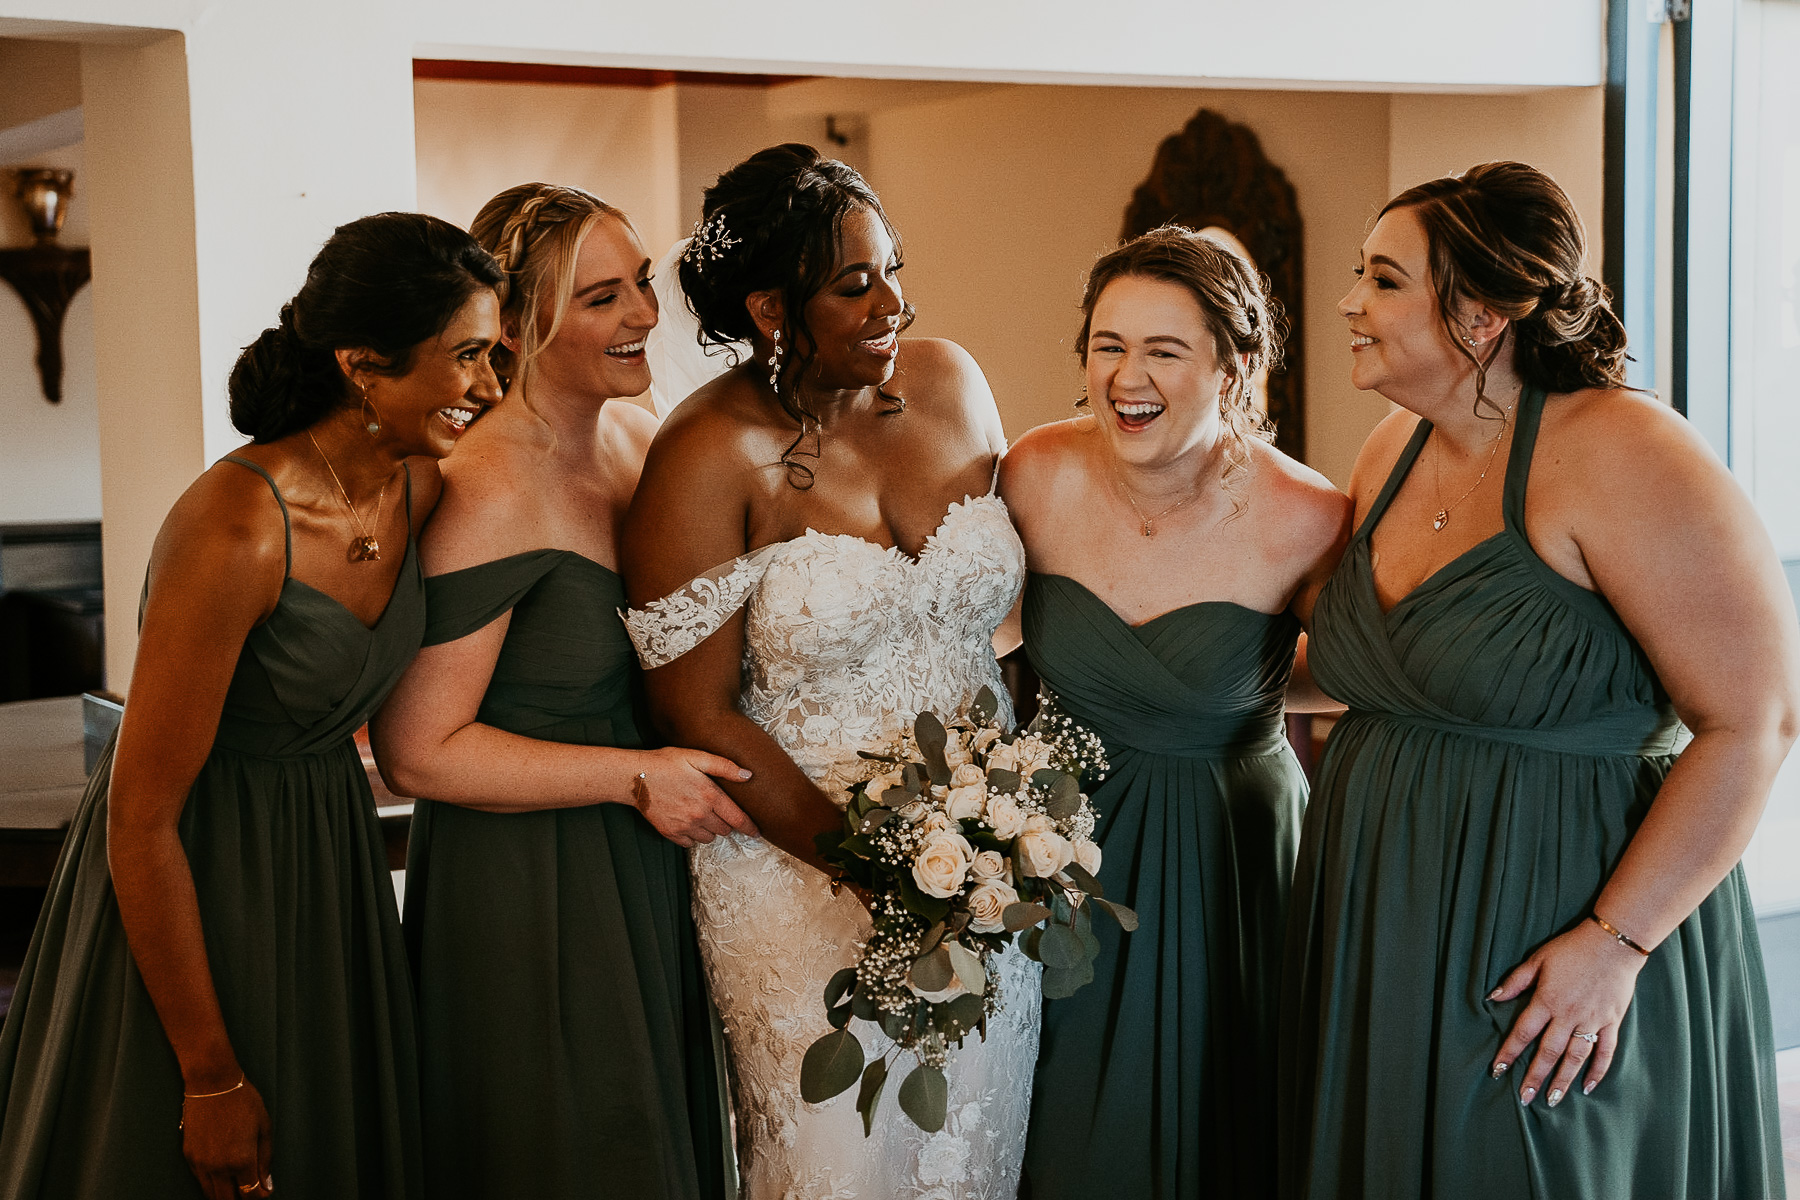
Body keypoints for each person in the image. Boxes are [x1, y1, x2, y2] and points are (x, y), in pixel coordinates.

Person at [1278, 161, 1796, 1199]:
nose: (1348, 304)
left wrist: (1616, 945)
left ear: (1478, 316)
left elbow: (1755, 722)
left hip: (1559, 926)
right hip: (1383, 926)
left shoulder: (1629, 453)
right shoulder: (1389, 450)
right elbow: (1394, 676)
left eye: (1383, 280)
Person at [0, 212, 504, 1200]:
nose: (491, 386)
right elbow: (139, 820)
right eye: (470, 357)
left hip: (329, 866)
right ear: (364, 363)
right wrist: (209, 1074)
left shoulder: (425, 487)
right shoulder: (234, 526)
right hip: (195, 883)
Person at [619, 144, 1035, 1199]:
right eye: (855, 284)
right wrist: (874, 872)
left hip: (979, 869)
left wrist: (1008, 836)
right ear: (769, 307)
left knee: (971, 1153)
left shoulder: (952, 380)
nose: (893, 301)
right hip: (797, 875)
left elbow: (1016, 612)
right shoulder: (706, 454)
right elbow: (697, 710)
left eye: (894, 267)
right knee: (837, 1163)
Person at [370, 183, 748, 1200]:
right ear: (521, 325)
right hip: (529, 885)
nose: (641, 316)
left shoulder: (638, 439)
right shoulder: (489, 483)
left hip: (646, 859)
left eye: (638, 285)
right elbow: (418, 749)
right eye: (600, 299)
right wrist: (636, 778)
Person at [1001, 226, 1347, 1199]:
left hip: (1225, 845)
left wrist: (1237, 687)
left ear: (1235, 366)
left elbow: (1364, 674)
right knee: (1067, 1124)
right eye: (1107, 345)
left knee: (1226, 1114)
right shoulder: (1034, 474)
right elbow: (969, 639)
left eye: (1163, 350)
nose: (1126, 376)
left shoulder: (1308, 517)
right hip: (1062, 843)